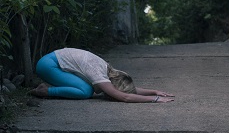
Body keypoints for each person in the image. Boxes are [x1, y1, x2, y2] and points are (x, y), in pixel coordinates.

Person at [30, 48, 175, 103]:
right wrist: (154, 99)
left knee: (87, 87)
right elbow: (124, 96)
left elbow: (126, 89)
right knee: (85, 91)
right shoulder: (99, 75)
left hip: (53, 60)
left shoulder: (109, 71)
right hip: (48, 65)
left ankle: (52, 85)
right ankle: (45, 91)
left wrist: (154, 90)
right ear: (112, 85)